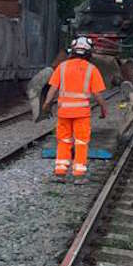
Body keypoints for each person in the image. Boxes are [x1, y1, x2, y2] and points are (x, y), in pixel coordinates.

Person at [42, 36, 107, 182]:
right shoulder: (92, 70)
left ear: (73, 51)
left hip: (64, 112)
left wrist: (46, 104)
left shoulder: (62, 67)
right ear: (89, 52)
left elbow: (53, 89)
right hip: (82, 113)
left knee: (64, 141)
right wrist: (103, 108)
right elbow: (97, 94)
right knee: (81, 143)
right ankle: (79, 175)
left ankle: (60, 172)